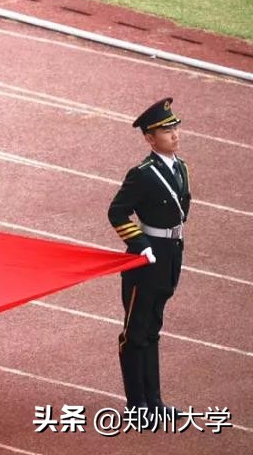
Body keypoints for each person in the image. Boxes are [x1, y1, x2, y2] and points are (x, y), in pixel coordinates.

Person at [109, 98, 189, 415]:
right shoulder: (142, 174)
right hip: (146, 259)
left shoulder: (181, 168)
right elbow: (117, 212)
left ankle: (154, 402)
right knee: (135, 333)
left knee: (153, 329)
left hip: (170, 256)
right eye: (166, 130)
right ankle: (136, 404)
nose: (174, 134)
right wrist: (140, 242)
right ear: (149, 138)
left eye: (175, 128)